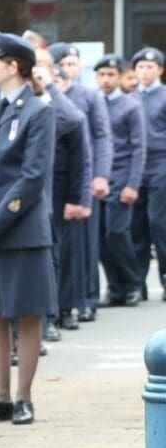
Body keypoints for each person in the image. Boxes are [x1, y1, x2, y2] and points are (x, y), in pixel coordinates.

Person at [0, 32, 57, 427]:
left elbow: (32, 177)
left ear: (14, 65)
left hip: (20, 230)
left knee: (26, 313)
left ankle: (24, 396)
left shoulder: (38, 110)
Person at [32, 49, 92, 340]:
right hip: (25, 188)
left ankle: (52, 315)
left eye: (43, 69)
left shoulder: (55, 99)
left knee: (54, 254)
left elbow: (74, 123)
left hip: (55, 187)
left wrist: (50, 87)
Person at [50, 42, 112, 322]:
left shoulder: (88, 95)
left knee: (82, 245)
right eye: (62, 64)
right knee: (57, 248)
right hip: (51, 179)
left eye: (73, 64)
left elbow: (101, 137)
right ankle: (62, 306)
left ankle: (85, 299)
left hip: (80, 177)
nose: (67, 69)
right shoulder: (42, 93)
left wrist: (100, 174)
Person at [93, 54, 147, 307]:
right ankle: (115, 287)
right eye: (101, 75)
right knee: (101, 239)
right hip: (97, 180)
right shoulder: (93, 102)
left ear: (120, 76)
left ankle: (133, 282)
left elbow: (139, 148)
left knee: (116, 232)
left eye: (111, 74)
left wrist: (133, 184)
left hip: (122, 176)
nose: (105, 79)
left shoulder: (130, 105)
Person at [130, 47, 166, 301]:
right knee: (136, 226)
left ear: (160, 70)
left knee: (158, 222)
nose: (145, 71)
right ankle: (137, 281)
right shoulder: (129, 97)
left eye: (150, 67)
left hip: (161, 163)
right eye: (141, 67)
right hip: (135, 167)